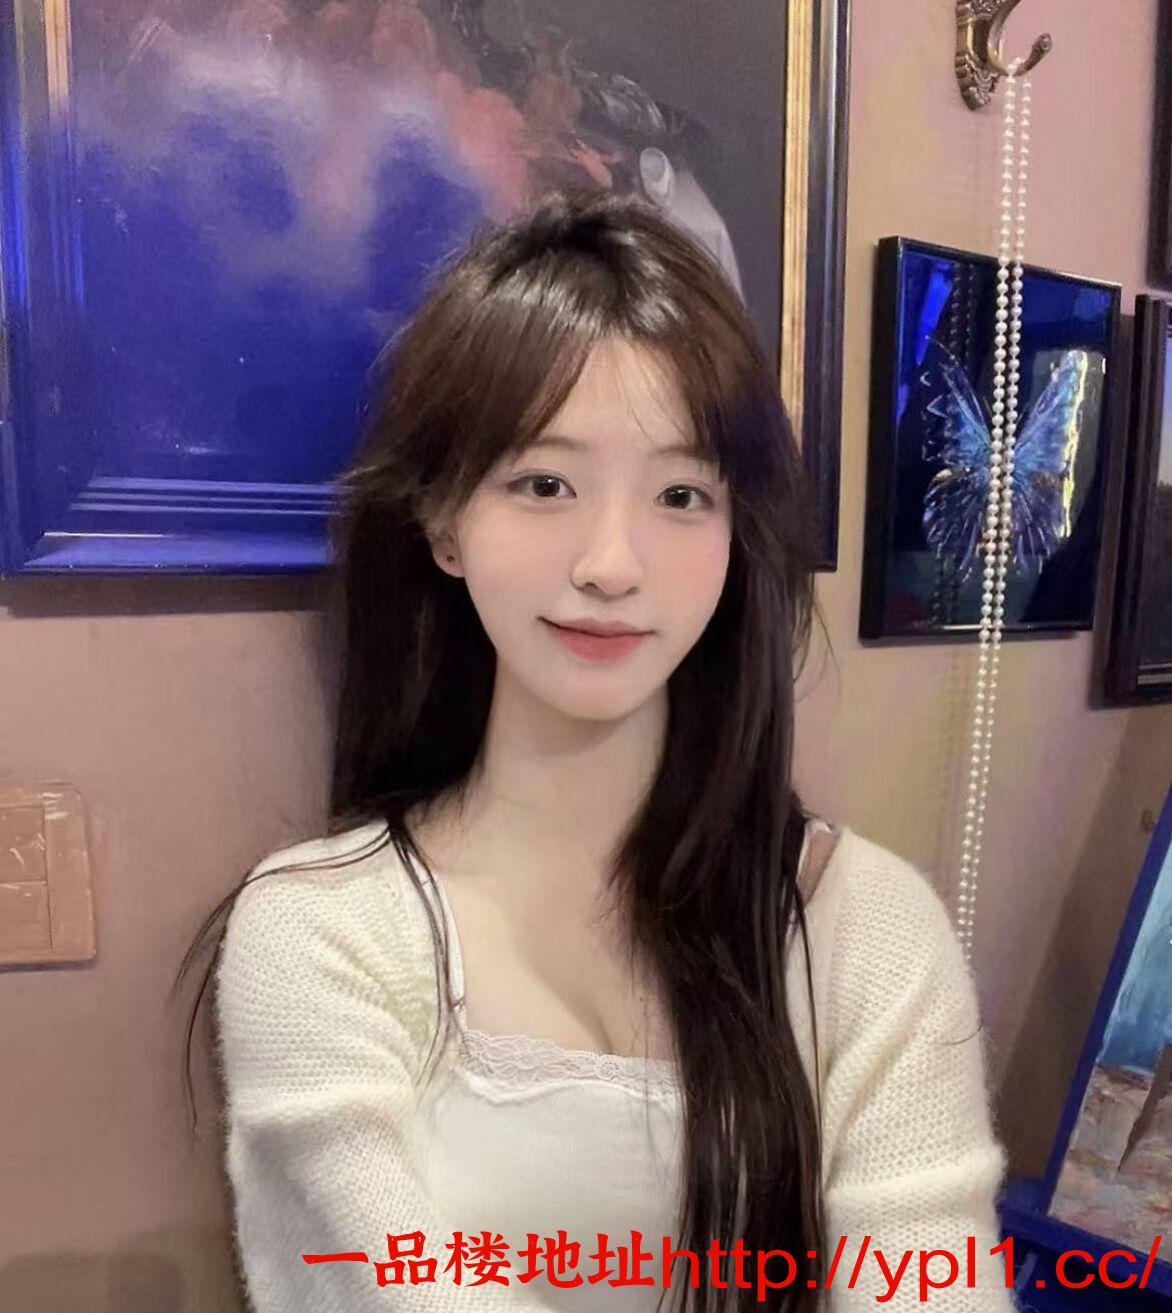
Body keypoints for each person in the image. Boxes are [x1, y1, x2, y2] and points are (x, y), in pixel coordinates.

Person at [177, 190, 1014, 1312]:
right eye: (544, 484)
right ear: (443, 521)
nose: (611, 563)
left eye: (681, 494)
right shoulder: (322, 930)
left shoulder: (866, 929)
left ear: (735, 533)